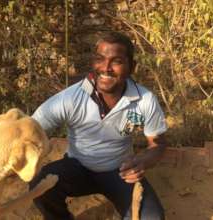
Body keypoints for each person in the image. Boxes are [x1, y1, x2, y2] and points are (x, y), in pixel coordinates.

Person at [30, 31, 167, 220]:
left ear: (132, 67)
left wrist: (142, 162)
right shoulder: (71, 98)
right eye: (100, 59)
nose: (106, 68)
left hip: (120, 172)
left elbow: (157, 145)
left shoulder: (144, 100)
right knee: (40, 185)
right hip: (77, 167)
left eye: (116, 61)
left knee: (151, 217)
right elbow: (32, 129)